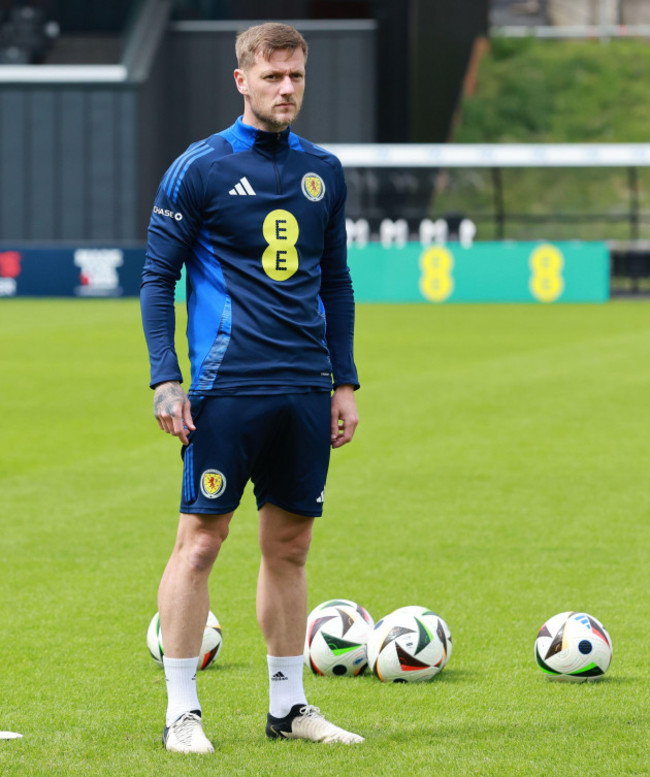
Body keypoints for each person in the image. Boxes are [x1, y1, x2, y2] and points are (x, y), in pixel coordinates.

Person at [140, 22, 363, 753]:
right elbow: (155, 279)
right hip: (225, 387)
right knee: (201, 541)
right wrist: (165, 377)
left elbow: (335, 280)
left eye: (296, 76)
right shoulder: (198, 168)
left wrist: (344, 380)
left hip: (303, 385)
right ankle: (181, 710)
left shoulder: (324, 170)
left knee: (290, 546)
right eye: (273, 76)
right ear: (242, 80)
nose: (287, 88)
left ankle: (289, 706)